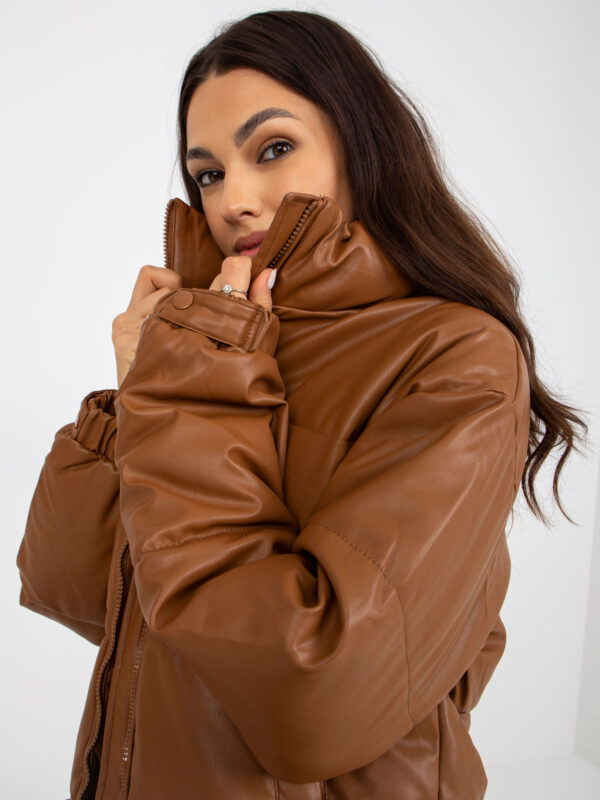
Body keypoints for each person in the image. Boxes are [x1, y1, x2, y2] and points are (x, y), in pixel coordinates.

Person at [16, 9, 588, 800]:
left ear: (361, 145)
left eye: (273, 148)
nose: (234, 200)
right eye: (208, 174)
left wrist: (192, 386)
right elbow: (81, 597)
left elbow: (311, 684)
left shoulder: (457, 356)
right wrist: (139, 388)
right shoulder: (213, 347)